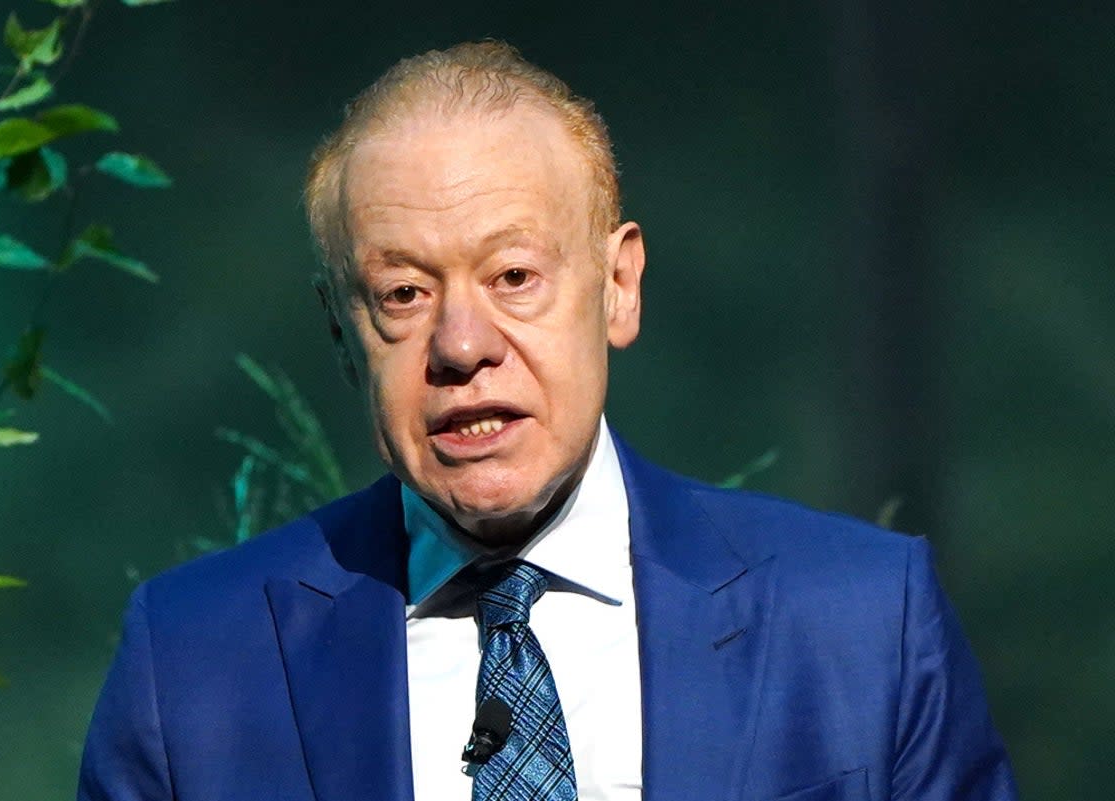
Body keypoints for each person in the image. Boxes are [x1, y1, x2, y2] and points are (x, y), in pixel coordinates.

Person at [77, 42, 1018, 801]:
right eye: (403, 293)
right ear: (342, 328)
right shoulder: (194, 661)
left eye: (513, 277)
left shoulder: (861, 620)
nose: (461, 343)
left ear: (618, 285)